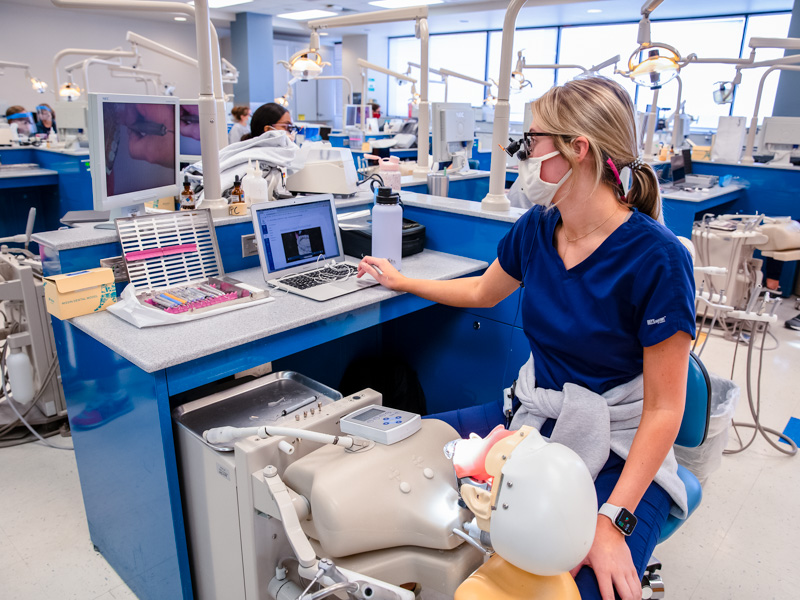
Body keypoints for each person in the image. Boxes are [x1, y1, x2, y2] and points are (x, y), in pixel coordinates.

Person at [357, 77, 696, 600]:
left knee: (575, 586)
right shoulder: (538, 227)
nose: (520, 155)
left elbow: (663, 411)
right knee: (404, 451)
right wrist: (402, 281)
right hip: (535, 414)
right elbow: (482, 292)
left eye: (528, 142)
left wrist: (611, 522)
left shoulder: (657, 258)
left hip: (621, 444)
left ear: (575, 149)